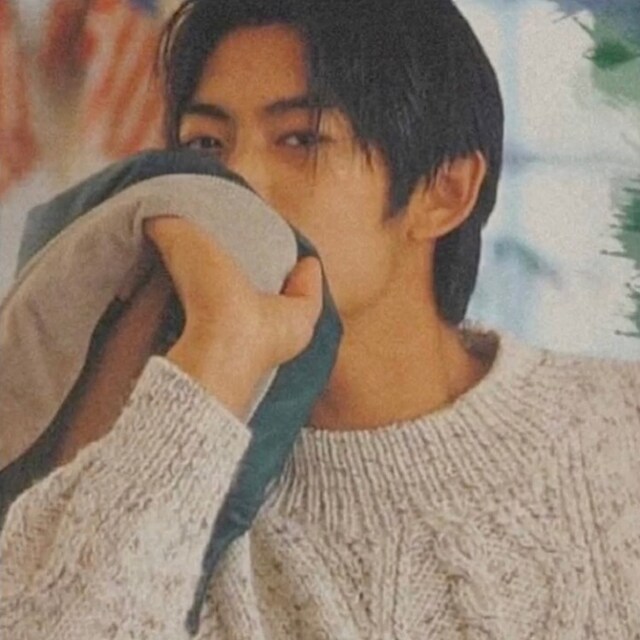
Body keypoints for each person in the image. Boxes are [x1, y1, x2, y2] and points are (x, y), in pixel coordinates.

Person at [1, 0, 639, 638]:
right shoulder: (169, 491)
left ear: (444, 191)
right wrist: (217, 357)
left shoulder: (622, 428)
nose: (236, 179)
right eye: (206, 144)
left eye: (302, 139)